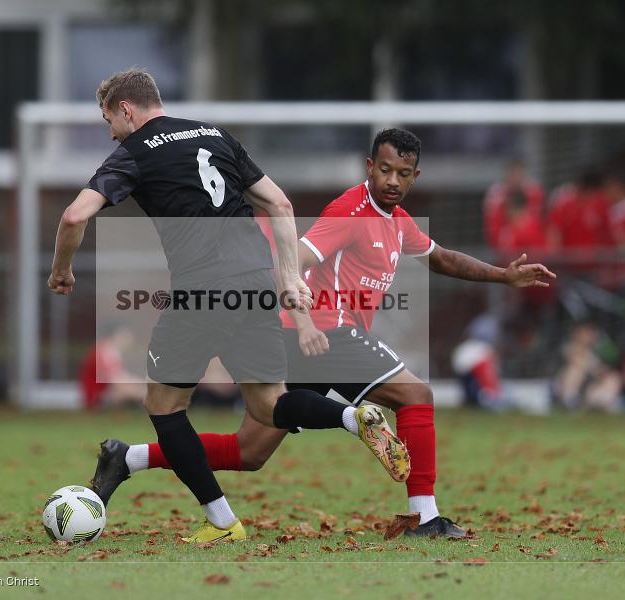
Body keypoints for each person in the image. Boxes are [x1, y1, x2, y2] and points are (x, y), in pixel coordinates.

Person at [92, 128, 556, 539]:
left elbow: (443, 258)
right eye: (386, 170)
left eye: (404, 173)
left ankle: (127, 458)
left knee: (249, 451)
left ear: (414, 176)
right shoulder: (350, 211)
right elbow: (294, 262)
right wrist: (309, 320)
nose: (393, 180)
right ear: (370, 167)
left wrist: (503, 275)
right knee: (417, 396)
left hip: (303, 340)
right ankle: (425, 517)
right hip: (327, 334)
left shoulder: (398, 222)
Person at [48, 69, 409, 545]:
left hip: (202, 289)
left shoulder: (132, 153)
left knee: (165, 405)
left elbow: (75, 215)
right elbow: (279, 205)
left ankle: (222, 522)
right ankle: (350, 416)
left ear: (127, 109)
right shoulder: (216, 136)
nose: (110, 130)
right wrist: (284, 276)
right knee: (267, 403)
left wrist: (62, 271)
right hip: (255, 283)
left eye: (108, 119)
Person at [551, 320, 622, 411]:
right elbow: (577, 361)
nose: (590, 336)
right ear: (577, 333)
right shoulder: (568, 347)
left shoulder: (594, 352)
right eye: (587, 332)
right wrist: (596, 370)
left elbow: (598, 370)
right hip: (562, 388)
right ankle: (569, 401)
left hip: (586, 389)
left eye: (592, 332)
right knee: (576, 370)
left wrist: (602, 372)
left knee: (613, 377)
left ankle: (601, 402)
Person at [78, 322, 144, 409]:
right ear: (115, 335)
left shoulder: (109, 350)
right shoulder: (105, 351)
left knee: (138, 389)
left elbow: (120, 376)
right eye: (125, 335)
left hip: (102, 393)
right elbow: (117, 379)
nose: (129, 339)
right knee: (137, 391)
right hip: (97, 397)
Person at [483, 159, 544, 249]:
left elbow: (540, 220)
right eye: (514, 174)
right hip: (502, 245)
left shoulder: (534, 191)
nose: (516, 178)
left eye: (519, 174)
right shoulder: (496, 195)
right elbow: (491, 227)